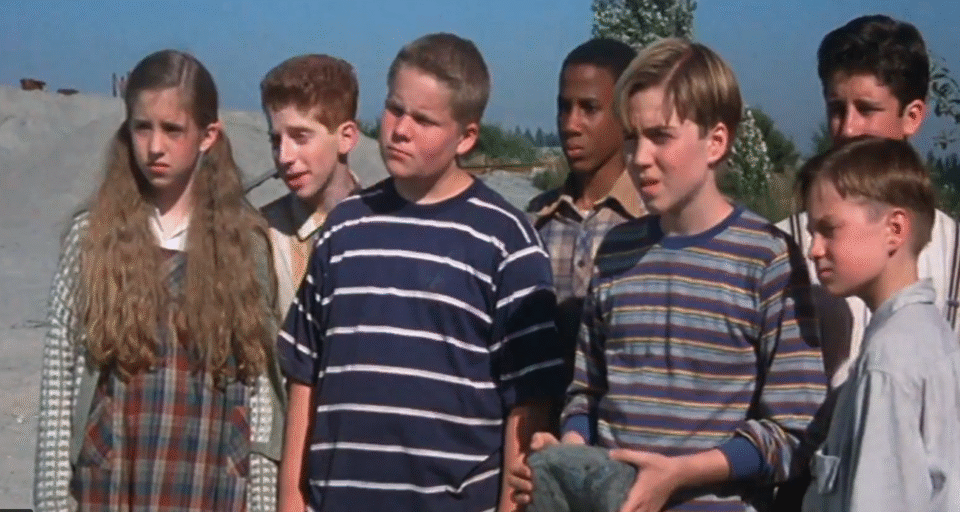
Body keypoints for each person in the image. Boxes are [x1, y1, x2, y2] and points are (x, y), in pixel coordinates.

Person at [510, 38, 827, 512]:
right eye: (632, 137)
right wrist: (570, 451)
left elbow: (795, 430)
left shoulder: (767, 259)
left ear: (716, 141)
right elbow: (588, 393)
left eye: (660, 137)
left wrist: (681, 473)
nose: (639, 157)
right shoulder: (616, 252)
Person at [275, 33, 563, 512]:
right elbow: (304, 372)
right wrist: (290, 499)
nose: (400, 130)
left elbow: (528, 403)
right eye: (394, 109)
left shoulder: (506, 242)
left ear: (466, 137)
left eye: (424, 120)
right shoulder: (345, 229)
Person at [776, 15, 960, 510]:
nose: (848, 129)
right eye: (836, 109)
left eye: (867, 109)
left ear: (913, 116)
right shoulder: (786, 246)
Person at [34, 49, 282, 511]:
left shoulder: (244, 245)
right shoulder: (91, 239)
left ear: (208, 135)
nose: (155, 147)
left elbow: (260, 395)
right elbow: (59, 385)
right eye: (142, 127)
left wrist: (262, 501)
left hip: (210, 480)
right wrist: (52, 500)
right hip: (112, 483)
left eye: (172, 129)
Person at [800, 136, 960, 511]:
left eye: (829, 229)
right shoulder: (930, 336)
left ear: (895, 229)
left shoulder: (889, 361)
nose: (814, 249)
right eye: (811, 234)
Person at [257, 53, 363, 510]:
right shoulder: (259, 237)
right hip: (277, 470)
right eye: (275, 139)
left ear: (346, 137)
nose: (285, 156)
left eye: (300, 137)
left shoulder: (385, 230)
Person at [527, 38, 643, 386]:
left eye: (589, 108)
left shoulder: (650, 223)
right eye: (564, 108)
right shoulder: (535, 222)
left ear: (626, 115)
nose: (570, 124)